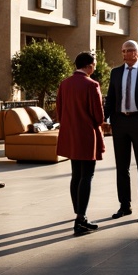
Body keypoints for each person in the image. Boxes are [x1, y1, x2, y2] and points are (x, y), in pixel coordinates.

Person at [104, 40, 138, 223]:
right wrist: (106, 119)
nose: (125, 53)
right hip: (120, 123)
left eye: (129, 50)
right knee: (122, 168)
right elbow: (110, 98)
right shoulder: (116, 72)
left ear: (137, 53)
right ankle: (124, 205)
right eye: (123, 50)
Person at [57, 52, 106, 235]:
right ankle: (81, 219)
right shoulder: (92, 85)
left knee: (76, 174)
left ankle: (78, 213)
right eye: (94, 64)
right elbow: (99, 116)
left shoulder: (65, 84)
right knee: (87, 175)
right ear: (89, 65)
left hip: (70, 134)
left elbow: (59, 112)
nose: (95, 67)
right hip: (87, 135)